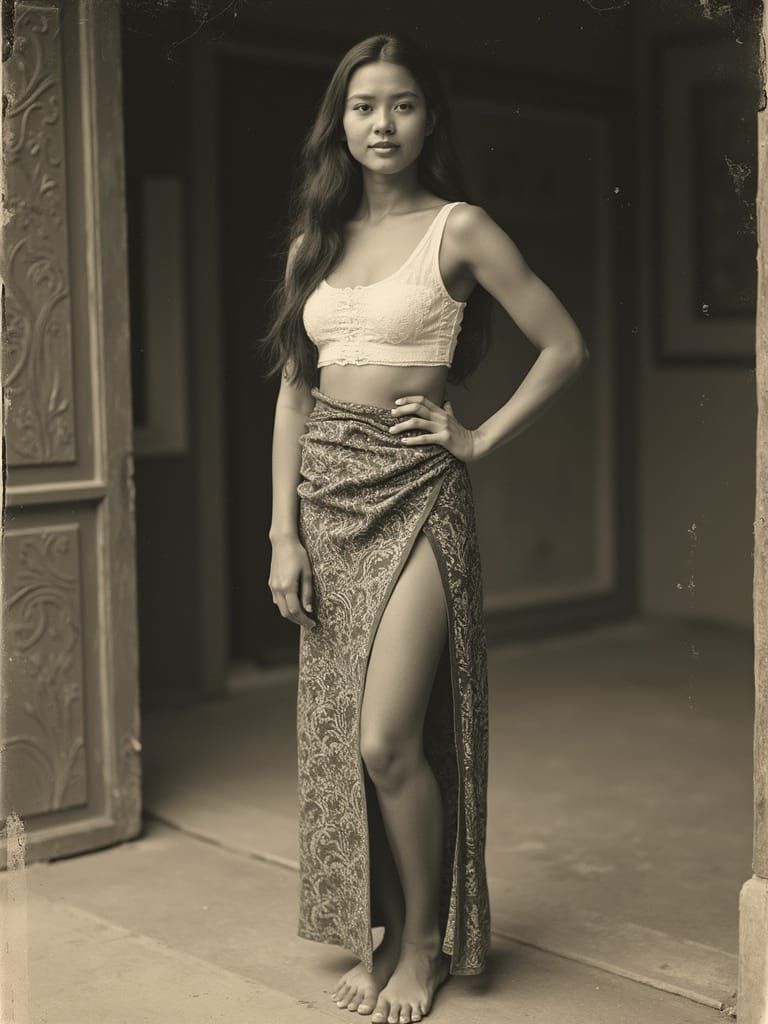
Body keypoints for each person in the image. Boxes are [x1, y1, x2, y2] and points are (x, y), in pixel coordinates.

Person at [262, 33, 588, 1024]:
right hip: (326, 501)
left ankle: (421, 947)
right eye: (363, 106)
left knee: (385, 737)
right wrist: (281, 534)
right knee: (343, 739)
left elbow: (564, 345)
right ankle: (381, 931)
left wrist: (476, 438)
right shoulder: (314, 242)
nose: (382, 124)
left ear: (429, 118)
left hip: (418, 496)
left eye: (401, 104)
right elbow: (294, 393)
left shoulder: (460, 229)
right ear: (341, 123)